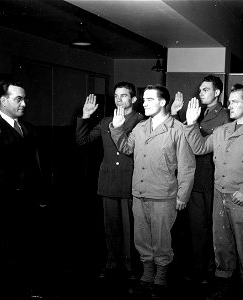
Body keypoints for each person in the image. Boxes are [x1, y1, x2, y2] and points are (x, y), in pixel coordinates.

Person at [183, 84, 243, 300]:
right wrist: (190, 124)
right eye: (230, 101)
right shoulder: (223, 130)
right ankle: (223, 284)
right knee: (222, 244)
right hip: (221, 196)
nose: (230, 105)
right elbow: (199, 147)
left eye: (235, 101)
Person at [109, 84, 195, 299]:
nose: (144, 103)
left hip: (163, 195)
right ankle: (147, 272)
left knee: (161, 239)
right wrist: (117, 129)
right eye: (144, 99)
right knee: (141, 238)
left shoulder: (177, 129)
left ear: (163, 102)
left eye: (149, 99)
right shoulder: (139, 128)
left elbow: (187, 166)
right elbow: (127, 148)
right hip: (139, 192)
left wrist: (182, 195)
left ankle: (161, 275)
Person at [76, 82, 143, 281]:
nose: (119, 99)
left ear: (133, 99)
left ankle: (132, 267)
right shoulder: (106, 121)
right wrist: (85, 116)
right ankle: (112, 264)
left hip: (130, 182)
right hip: (108, 182)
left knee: (130, 228)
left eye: (124, 95)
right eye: (116, 96)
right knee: (111, 228)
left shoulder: (142, 122)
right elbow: (83, 141)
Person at [0, 80, 45, 300]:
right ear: (2, 101)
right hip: (2, 205)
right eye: (18, 99)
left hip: (26, 203)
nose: (23, 104)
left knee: (25, 250)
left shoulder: (28, 128)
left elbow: (35, 166)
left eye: (24, 99)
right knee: (3, 255)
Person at [171, 75, 230, 285]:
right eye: (200, 90)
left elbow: (202, 144)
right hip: (194, 178)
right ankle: (199, 268)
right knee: (197, 229)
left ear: (217, 92)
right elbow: (182, 136)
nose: (201, 93)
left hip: (212, 178)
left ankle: (213, 270)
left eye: (206, 89)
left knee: (213, 228)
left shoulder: (225, 115)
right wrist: (176, 113)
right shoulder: (198, 112)